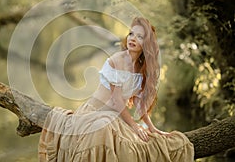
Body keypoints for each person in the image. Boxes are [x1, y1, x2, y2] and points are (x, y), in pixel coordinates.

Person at [38, 17, 194, 161]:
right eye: (131, 34)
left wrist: (152, 128)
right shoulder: (116, 60)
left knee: (147, 143)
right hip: (96, 113)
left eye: (139, 37)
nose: (133, 38)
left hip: (116, 117)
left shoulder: (142, 68)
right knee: (105, 129)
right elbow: (116, 100)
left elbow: (140, 103)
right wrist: (134, 125)